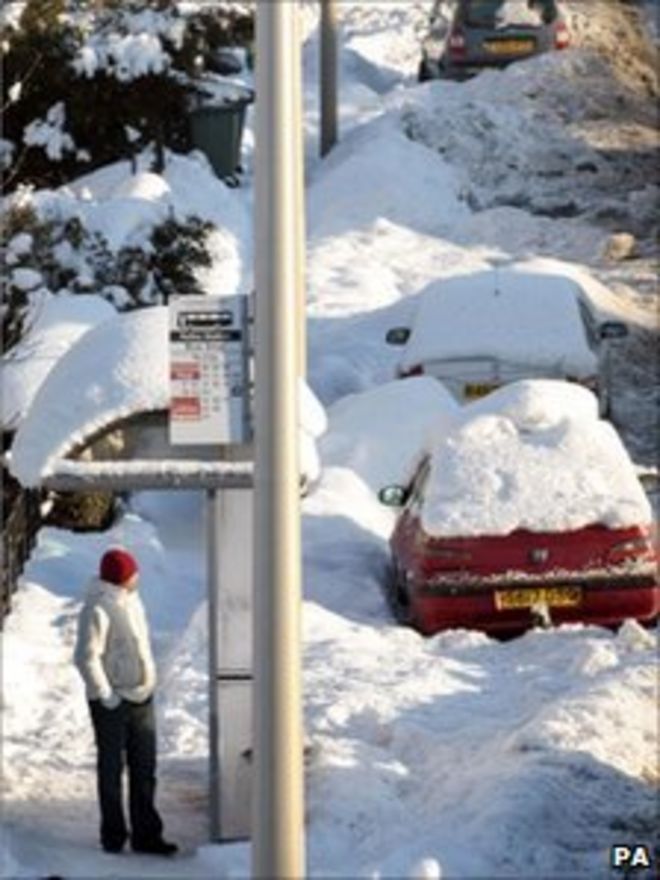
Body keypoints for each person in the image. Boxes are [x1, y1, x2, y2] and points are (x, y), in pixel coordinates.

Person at [74, 547, 178, 856]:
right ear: (122, 578)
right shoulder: (97, 609)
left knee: (144, 767)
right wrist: (106, 696)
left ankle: (147, 835)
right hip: (112, 701)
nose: (138, 576)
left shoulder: (133, 601)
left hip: (141, 695)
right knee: (112, 769)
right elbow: (85, 657)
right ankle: (113, 835)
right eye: (134, 572)